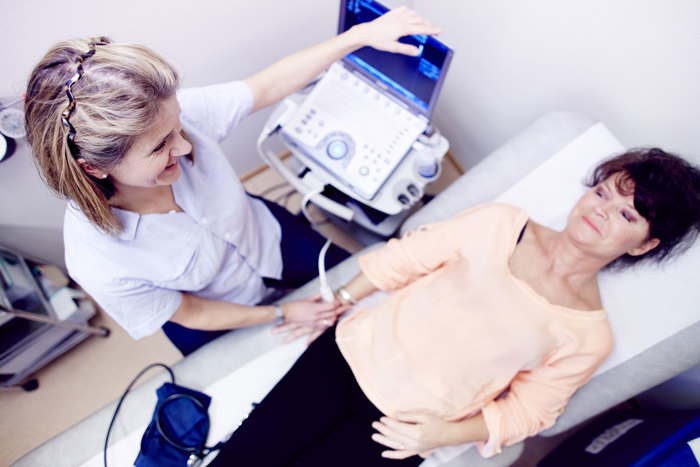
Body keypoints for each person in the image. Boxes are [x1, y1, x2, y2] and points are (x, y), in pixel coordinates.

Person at [209, 148, 700, 466]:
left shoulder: (588, 336)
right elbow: (404, 258)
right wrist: (339, 299)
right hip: (348, 358)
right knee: (241, 460)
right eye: (601, 192)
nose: (598, 210)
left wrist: (444, 434)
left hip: (406, 427)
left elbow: (529, 412)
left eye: (626, 214)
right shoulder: (500, 224)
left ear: (641, 246)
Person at [23, 7, 442, 356]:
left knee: (374, 292)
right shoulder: (96, 259)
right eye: (160, 148)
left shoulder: (171, 119)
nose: (186, 149)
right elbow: (189, 311)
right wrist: (281, 314)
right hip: (215, 313)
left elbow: (266, 86)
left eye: (179, 128)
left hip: (270, 238)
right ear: (94, 168)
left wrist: (358, 36)